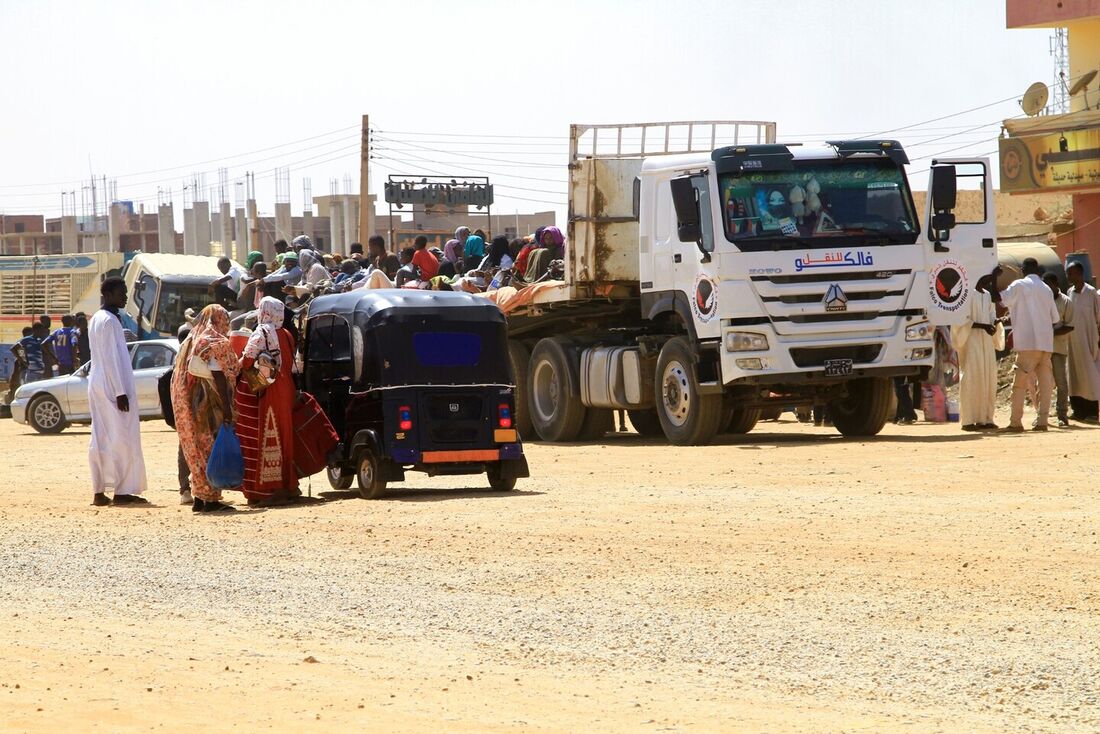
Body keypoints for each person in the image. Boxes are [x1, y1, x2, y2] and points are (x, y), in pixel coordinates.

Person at [171, 305, 239, 513]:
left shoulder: (190, 340)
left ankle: (199, 496)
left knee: (194, 448)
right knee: (209, 445)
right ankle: (210, 499)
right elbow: (218, 375)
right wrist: (227, 409)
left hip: (186, 404)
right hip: (205, 404)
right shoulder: (212, 340)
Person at [87, 277, 149, 506]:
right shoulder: (109, 321)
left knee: (101, 437)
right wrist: (120, 391)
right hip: (112, 387)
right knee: (122, 437)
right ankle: (122, 491)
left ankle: (99, 490)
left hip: (99, 383)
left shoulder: (97, 319)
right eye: (121, 292)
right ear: (109, 294)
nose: (125, 297)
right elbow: (112, 359)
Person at [234, 297, 299, 506]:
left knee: (269, 435)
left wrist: (233, 369)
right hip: (287, 386)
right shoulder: (286, 334)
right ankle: (289, 486)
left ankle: (271, 488)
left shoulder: (262, 332)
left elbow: (248, 360)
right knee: (284, 435)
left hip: (270, 387)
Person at [993, 259, 1060, 433]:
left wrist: (993, 278)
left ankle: (1016, 422)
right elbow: (1055, 318)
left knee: (1020, 385)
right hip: (1045, 344)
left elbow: (999, 299)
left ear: (1023, 270)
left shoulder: (1019, 285)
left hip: (1027, 344)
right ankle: (1042, 422)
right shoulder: (1046, 289)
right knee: (1046, 385)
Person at [952, 274, 1000, 431]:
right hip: (970, 342)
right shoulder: (966, 294)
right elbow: (960, 320)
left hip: (986, 342)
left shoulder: (987, 295)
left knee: (987, 378)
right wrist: (982, 326)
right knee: (971, 378)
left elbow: (991, 315)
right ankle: (968, 420)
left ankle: (985, 418)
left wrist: (995, 322)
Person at [1064, 261, 1100, 422]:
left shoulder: (1092, 293)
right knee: (1074, 374)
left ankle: (1092, 411)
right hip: (1072, 341)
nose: (1068, 276)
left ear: (1079, 273)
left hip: (1089, 340)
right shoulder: (1069, 292)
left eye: (1070, 273)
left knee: (1090, 374)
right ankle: (1078, 410)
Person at [1044, 272, 1075, 427]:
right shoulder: (1042, 300)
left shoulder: (1066, 302)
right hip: (1042, 347)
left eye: (1048, 284)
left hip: (1058, 347)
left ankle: (1062, 415)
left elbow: (1069, 325)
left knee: (1061, 383)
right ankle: (1042, 414)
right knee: (1043, 383)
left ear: (1055, 284)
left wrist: (1051, 332)